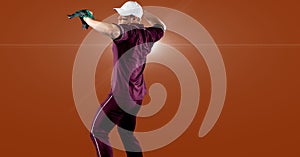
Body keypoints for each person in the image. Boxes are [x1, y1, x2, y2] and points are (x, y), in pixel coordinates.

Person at [80, 1, 166, 157]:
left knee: (98, 131)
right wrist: (142, 12)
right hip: (137, 96)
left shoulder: (128, 33)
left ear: (134, 19)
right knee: (126, 133)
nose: (119, 18)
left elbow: (111, 30)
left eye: (124, 16)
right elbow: (161, 25)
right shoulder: (149, 34)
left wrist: (87, 19)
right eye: (120, 15)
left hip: (121, 96)